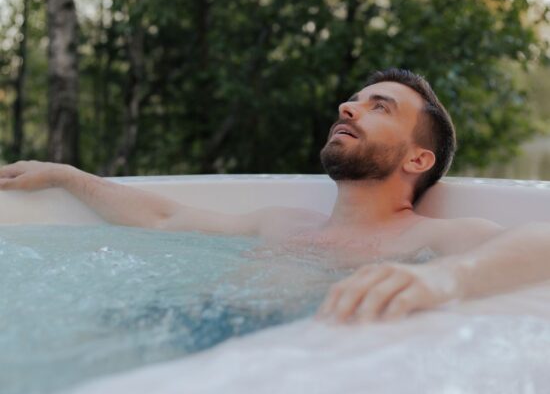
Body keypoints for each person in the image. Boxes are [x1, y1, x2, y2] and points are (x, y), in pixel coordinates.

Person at [1, 68, 550, 324]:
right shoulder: (284, 222)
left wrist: (445, 277)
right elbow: (164, 216)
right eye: (354, 100)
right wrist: (66, 176)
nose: (348, 108)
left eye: (380, 107)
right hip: (175, 323)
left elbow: (542, 242)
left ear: (418, 159)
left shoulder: (432, 239)